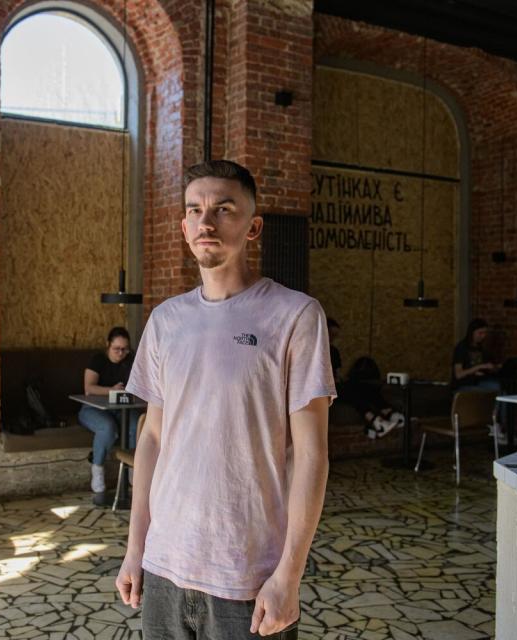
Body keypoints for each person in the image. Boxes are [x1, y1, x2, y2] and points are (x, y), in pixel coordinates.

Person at [116, 160, 336, 639]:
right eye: (194, 211)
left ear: (252, 226)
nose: (206, 222)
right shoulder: (166, 320)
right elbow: (152, 437)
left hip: (247, 576)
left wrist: (289, 576)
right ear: (183, 227)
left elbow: (311, 454)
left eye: (223, 209)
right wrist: (136, 548)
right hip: (165, 565)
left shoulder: (295, 316)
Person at [78, 326, 139, 506]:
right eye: (117, 349)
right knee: (107, 428)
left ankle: (132, 469)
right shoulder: (98, 360)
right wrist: (111, 391)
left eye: (125, 349)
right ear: (108, 346)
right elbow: (89, 389)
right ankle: (97, 470)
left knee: (136, 424)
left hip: (121, 409)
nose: (121, 353)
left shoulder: (130, 360)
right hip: (92, 409)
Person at [452, 318, 502, 391]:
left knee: (496, 387)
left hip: (478, 381)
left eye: (485, 333)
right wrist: (478, 367)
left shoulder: (480, 348)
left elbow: (485, 368)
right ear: (472, 332)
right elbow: (458, 374)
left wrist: (494, 367)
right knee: (486, 392)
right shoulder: (461, 348)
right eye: (480, 333)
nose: (483, 336)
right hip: (463, 385)